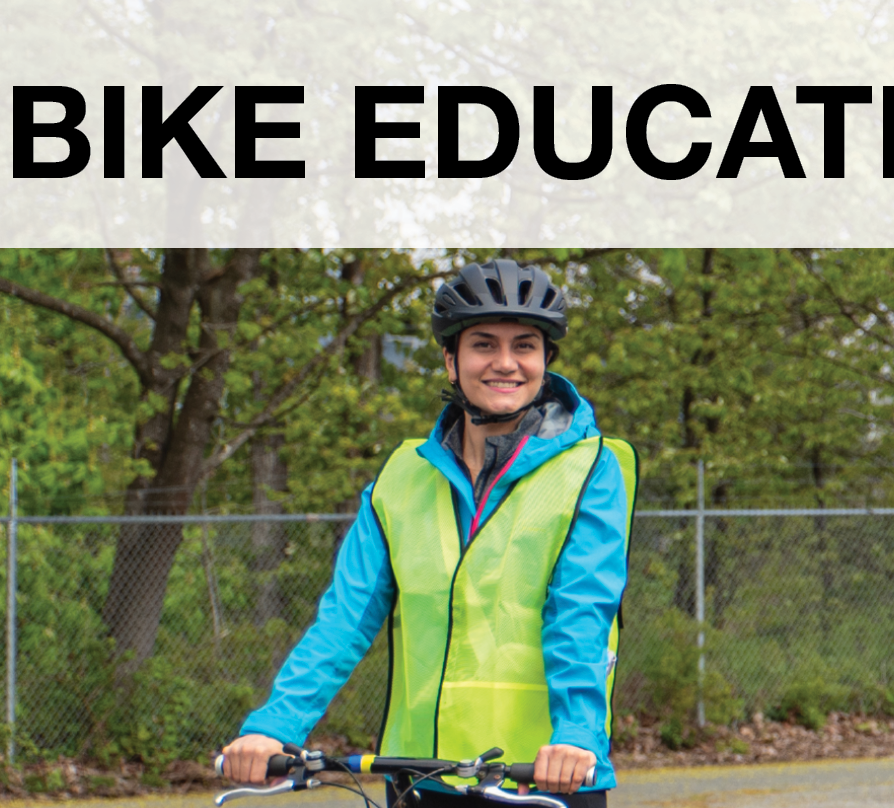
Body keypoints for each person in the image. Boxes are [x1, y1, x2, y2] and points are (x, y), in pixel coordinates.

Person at [218, 259, 633, 806]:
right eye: (484, 344)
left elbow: (580, 613)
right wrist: (276, 725)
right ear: (450, 359)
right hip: (420, 779)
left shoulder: (591, 467)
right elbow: (345, 618)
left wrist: (577, 735)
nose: (505, 363)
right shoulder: (401, 476)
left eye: (524, 346)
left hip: (545, 776)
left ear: (545, 359)